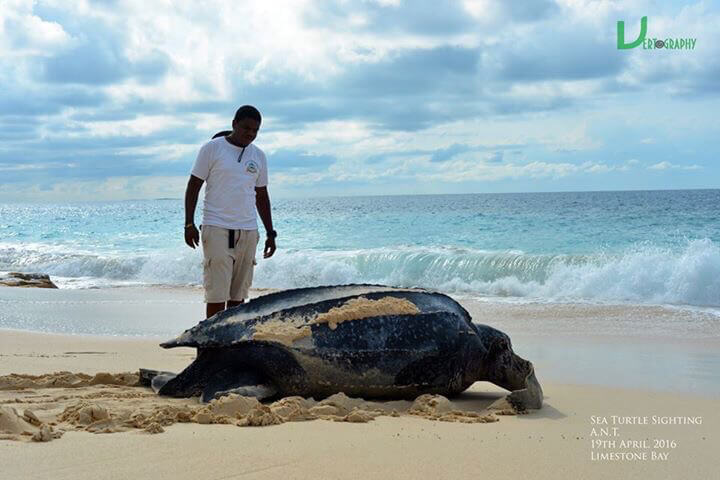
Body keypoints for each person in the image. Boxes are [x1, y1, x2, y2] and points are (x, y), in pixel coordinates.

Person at [184, 105, 276, 318]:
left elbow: (262, 195)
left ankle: (232, 338)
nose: (250, 134)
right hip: (217, 228)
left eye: (255, 130)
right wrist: (189, 223)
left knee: (238, 296)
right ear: (234, 124)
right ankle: (212, 338)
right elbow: (194, 185)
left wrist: (270, 233)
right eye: (246, 128)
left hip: (248, 230)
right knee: (217, 294)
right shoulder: (212, 148)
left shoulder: (258, 155)